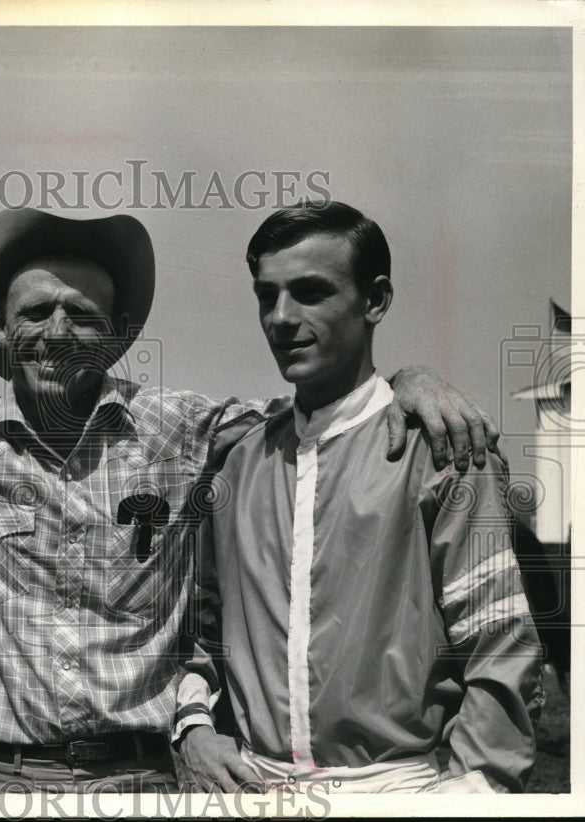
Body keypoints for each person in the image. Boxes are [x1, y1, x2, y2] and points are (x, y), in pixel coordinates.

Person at [0, 207, 500, 791]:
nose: (57, 332)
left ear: (120, 330)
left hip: (145, 776)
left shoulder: (189, 430)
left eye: (83, 314)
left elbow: (324, 412)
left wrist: (409, 382)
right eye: (34, 312)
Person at [175, 201, 544, 793]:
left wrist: (474, 791)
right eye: (266, 296)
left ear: (374, 300)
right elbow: (201, 633)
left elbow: (500, 646)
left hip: (401, 788)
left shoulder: (442, 452)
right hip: (250, 787)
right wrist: (193, 723)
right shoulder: (238, 463)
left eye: (310, 292)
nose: (281, 317)